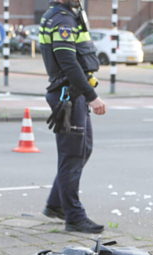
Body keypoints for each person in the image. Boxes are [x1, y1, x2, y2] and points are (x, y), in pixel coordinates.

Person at [39, 0, 107, 234]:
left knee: (82, 150)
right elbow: (68, 61)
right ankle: (75, 217)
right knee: (73, 156)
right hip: (69, 95)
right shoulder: (63, 20)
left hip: (71, 93)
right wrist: (92, 96)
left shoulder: (59, 15)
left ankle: (57, 204)